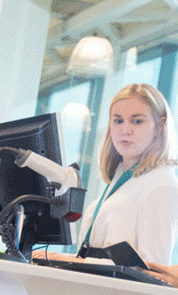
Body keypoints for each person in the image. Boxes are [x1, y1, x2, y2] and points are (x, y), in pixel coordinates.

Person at [34, 83, 178, 268]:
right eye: (118, 121)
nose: (125, 130)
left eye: (137, 121)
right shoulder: (122, 180)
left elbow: (152, 270)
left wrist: (66, 260)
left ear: (160, 126)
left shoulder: (160, 185)